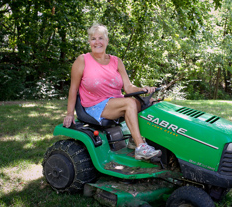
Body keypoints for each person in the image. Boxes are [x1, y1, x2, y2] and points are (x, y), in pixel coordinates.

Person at [63, 23, 161, 160]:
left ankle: (136, 139)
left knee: (149, 102)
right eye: (93, 39)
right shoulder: (82, 60)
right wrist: (69, 114)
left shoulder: (116, 61)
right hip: (95, 106)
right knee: (129, 103)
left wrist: (142, 90)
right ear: (89, 42)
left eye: (101, 38)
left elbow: (128, 87)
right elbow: (73, 89)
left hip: (116, 102)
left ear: (107, 41)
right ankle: (141, 147)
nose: (97, 42)